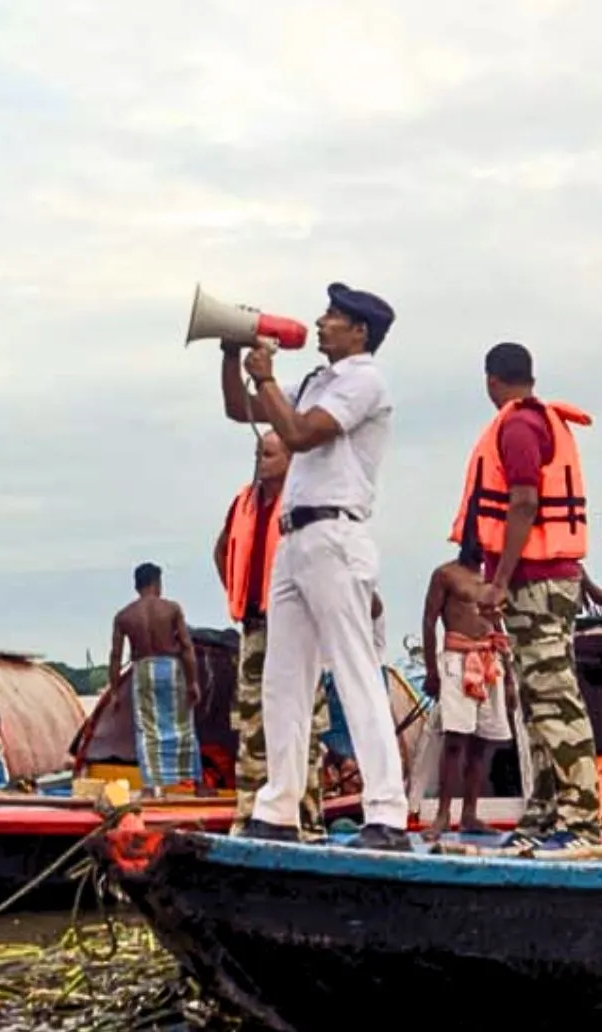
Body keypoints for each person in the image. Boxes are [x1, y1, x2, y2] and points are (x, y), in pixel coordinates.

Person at [222, 282, 408, 851]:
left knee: (353, 674)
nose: (321, 322)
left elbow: (300, 434)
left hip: (334, 534)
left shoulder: (364, 381)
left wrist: (267, 376)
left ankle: (387, 812)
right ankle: (276, 807)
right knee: (283, 679)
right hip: (297, 538)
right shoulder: (317, 381)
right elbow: (242, 410)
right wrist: (234, 359)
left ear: (360, 331)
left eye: (333, 316)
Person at [449, 342, 601, 850]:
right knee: (536, 700)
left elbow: (524, 501)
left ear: (491, 380)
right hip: (548, 581)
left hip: (536, 581)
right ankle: (545, 809)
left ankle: (582, 820)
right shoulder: (539, 421)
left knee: (553, 697)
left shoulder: (517, 427)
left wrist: (499, 579)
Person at [213, 429, 331, 839]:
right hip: (255, 626)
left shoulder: (304, 502)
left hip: (294, 625)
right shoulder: (244, 503)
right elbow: (222, 549)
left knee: (302, 726)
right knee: (251, 725)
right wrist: (237, 592)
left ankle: (307, 819)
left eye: (271, 452)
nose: (262, 458)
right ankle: (249, 818)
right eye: (259, 452)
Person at [420, 545, 512, 838]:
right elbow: (429, 619)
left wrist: (509, 677)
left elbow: (499, 625)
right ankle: (443, 815)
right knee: (455, 739)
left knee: (482, 741)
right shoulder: (445, 574)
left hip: (489, 660)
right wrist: (431, 670)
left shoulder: (493, 580)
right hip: (457, 659)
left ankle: (470, 815)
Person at [110, 563, 203, 789]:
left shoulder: (124, 616)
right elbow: (187, 647)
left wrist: (114, 691)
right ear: (157, 583)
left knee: (147, 730)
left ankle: (151, 787)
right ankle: (198, 784)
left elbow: (115, 656)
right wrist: (193, 682)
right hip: (171, 668)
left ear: (137, 585)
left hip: (143, 670)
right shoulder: (171, 609)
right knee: (184, 726)